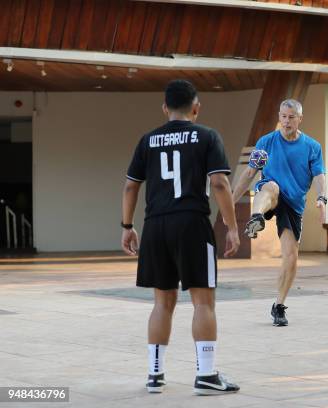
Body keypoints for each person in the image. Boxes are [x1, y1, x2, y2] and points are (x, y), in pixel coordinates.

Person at [121, 79, 241, 395]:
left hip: (155, 226)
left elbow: (131, 186)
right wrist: (231, 226)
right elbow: (218, 184)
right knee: (203, 301)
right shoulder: (207, 136)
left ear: (165, 108)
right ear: (196, 108)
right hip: (191, 224)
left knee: (162, 302)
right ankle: (206, 375)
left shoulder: (148, 140)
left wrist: (126, 226)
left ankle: (155, 376)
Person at [232, 99, 326, 326]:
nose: (286, 121)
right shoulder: (266, 142)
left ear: (299, 119)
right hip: (271, 193)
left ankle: (279, 306)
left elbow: (319, 176)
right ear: (279, 117)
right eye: (283, 116)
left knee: (291, 259)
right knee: (270, 187)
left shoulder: (312, 147)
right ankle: (257, 217)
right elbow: (249, 173)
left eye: (291, 117)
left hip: (293, 204)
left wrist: (322, 198)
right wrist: (230, 202)